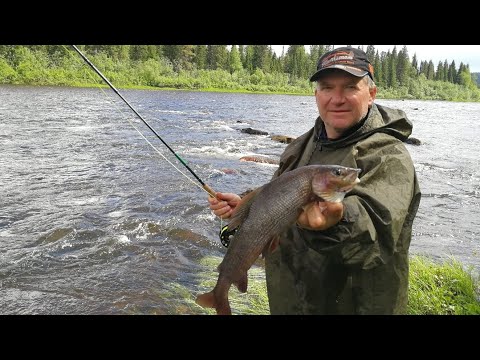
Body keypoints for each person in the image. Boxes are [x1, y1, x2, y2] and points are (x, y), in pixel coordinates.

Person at [208, 46, 421, 315]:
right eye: (327, 87)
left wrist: (337, 221)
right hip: (290, 299)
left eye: (350, 87)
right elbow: (278, 197)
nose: (337, 98)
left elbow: (378, 229)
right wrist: (245, 207)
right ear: (316, 94)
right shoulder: (300, 146)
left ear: (371, 94)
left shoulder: (389, 155)